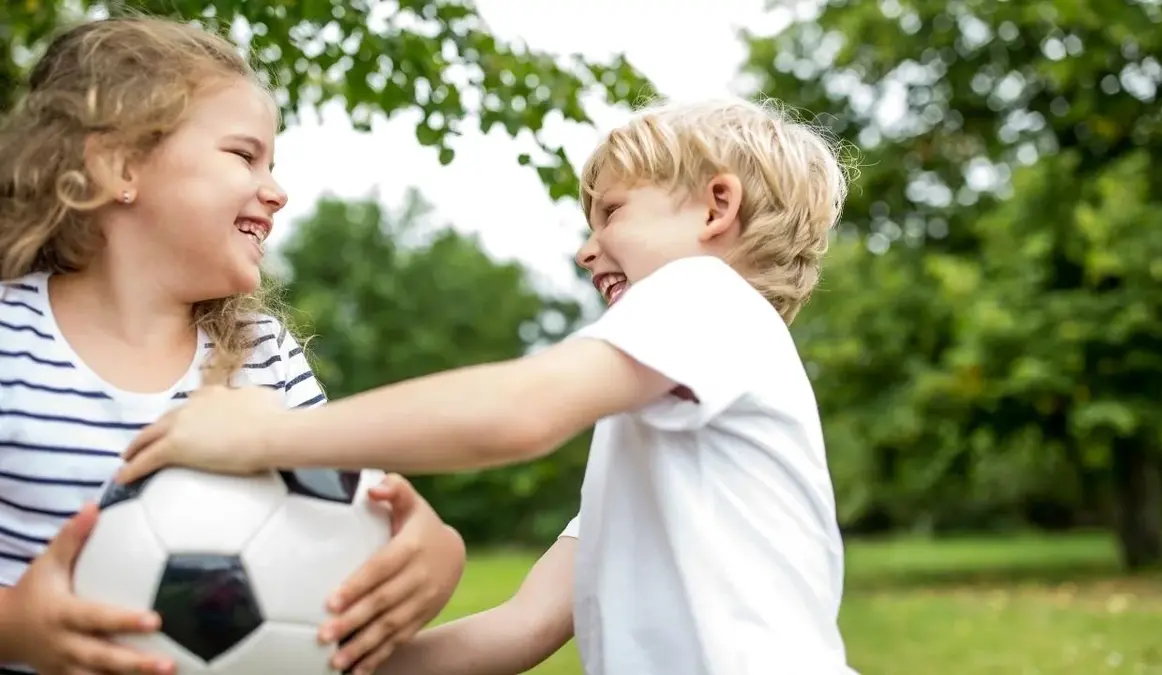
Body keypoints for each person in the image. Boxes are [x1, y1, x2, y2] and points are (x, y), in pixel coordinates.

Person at [118, 97, 858, 675]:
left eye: (611, 212)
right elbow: (521, 626)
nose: (586, 247)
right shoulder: (659, 438)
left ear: (715, 209)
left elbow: (519, 411)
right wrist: (303, 660)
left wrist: (261, 435)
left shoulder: (708, 297)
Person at [0, 17, 464, 675]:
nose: (276, 190)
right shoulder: (11, 340)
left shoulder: (262, 356)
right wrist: (19, 625)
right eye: (244, 156)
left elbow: (360, 512)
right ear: (120, 164)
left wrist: (434, 554)